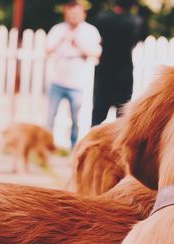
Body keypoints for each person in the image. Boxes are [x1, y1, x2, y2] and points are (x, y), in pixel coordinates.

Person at [46, 0, 101, 148]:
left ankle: (73, 147)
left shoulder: (90, 31)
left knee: (76, 118)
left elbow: (96, 53)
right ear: (65, 14)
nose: (73, 17)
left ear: (83, 14)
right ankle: (46, 146)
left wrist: (79, 44)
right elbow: (48, 49)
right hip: (57, 81)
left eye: (77, 14)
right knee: (50, 117)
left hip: (77, 84)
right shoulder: (58, 29)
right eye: (71, 14)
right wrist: (61, 40)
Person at [91, 0, 145, 126]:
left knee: (97, 117)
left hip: (104, 73)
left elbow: (98, 40)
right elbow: (136, 42)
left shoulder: (103, 19)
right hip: (124, 74)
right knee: (122, 119)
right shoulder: (136, 22)